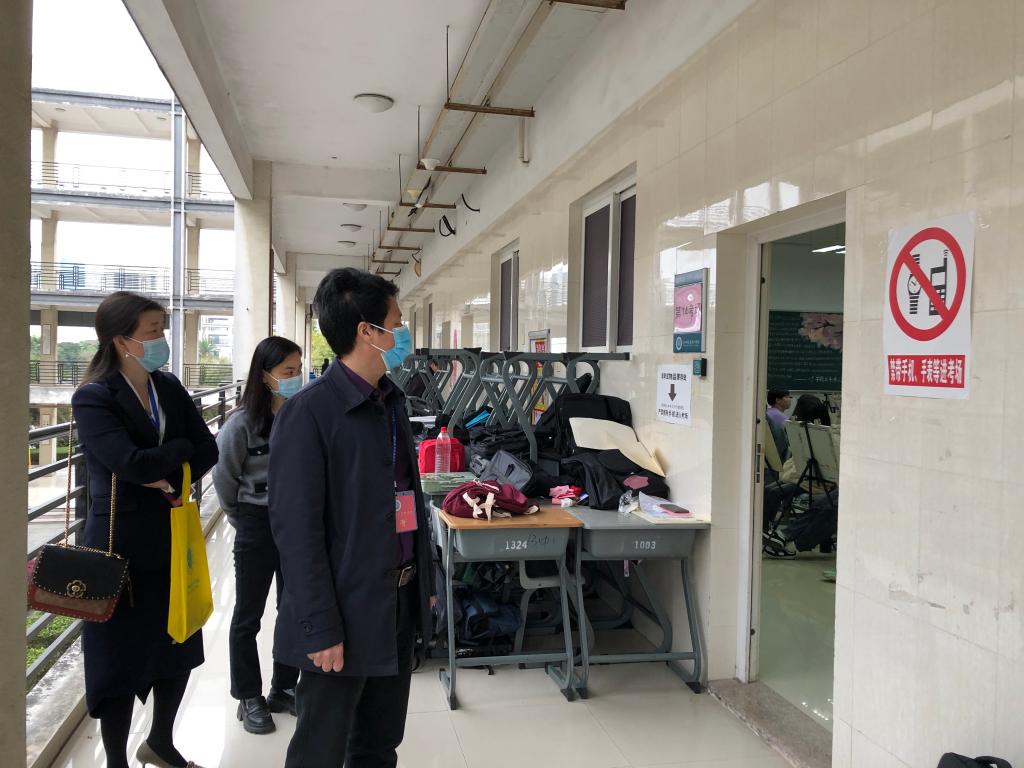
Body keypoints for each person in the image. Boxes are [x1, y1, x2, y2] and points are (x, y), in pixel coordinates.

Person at [268, 268, 435, 768]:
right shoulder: (309, 414)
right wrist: (320, 627)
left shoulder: (391, 401)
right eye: (397, 323)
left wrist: (423, 587)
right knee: (320, 750)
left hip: (395, 600)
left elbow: (405, 501)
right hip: (342, 611)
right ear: (368, 331)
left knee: (378, 745)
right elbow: (297, 535)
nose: (402, 333)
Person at [71, 292, 218, 768]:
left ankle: (160, 742)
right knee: (117, 661)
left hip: (171, 536)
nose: (162, 339)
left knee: (178, 645)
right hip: (118, 547)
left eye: (161, 329)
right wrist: (177, 453)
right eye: (153, 331)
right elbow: (129, 463)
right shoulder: (94, 397)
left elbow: (208, 449)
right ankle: (116, 760)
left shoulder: (167, 386)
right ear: (122, 340)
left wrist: (166, 465)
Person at [213, 336, 303, 735]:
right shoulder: (242, 424)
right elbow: (224, 478)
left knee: (293, 607)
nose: (296, 378)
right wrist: (244, 520)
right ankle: (248, 695)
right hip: (256, 521)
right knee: (248, 613)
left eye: (299, 370)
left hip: (297, 523)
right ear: (265, 376)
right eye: (288, 371)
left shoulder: (301, 416)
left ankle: (283, 687)